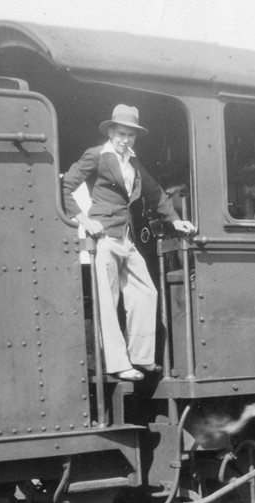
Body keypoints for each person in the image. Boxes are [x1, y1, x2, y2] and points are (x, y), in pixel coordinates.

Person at [62, 104, 196, 381]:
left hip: (126, 235)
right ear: (110, 132)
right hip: (104, 237)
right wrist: (85, 221)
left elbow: (156, 193)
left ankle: (141, 357)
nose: (125, 140)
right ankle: (118, 364)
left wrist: (175, 220)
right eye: (121, 134)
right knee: (109, 302)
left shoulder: (133, 162)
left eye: (131, 135)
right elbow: (63, 186)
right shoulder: (97, 155)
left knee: (147, 292)